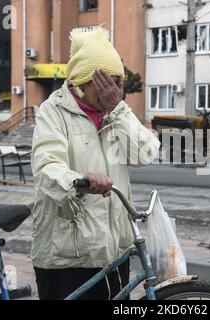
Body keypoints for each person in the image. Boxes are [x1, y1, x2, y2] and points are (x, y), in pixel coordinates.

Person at [30, 27, 160, 300]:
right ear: (82, 82)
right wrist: (78, 182)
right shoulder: (53, 112)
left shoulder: (115, 114)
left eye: (117, 83)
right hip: (69, 253)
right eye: (105, 83)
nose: (112, 91)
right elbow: (46, 167)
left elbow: (146, 153)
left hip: (114, 250)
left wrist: (120, 109)